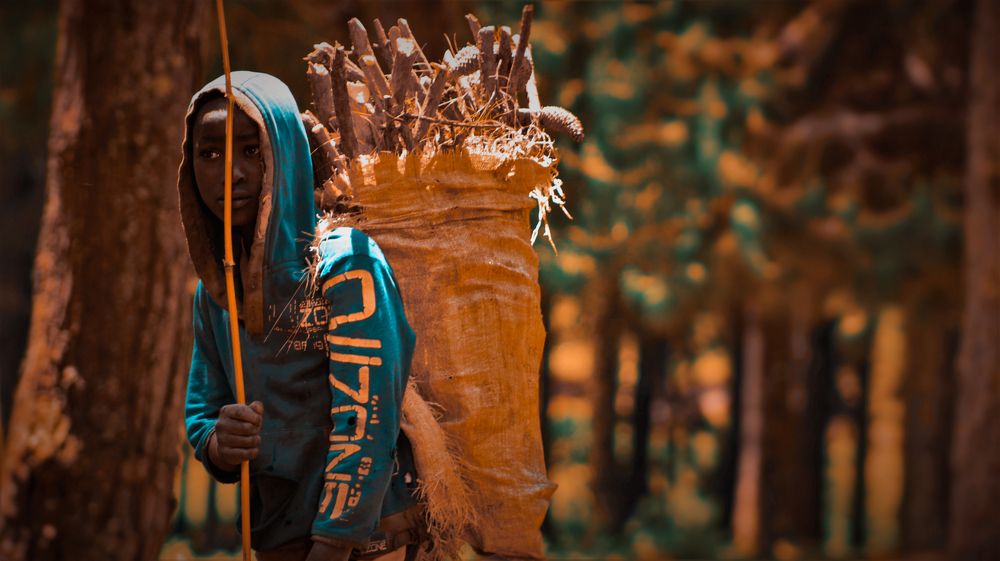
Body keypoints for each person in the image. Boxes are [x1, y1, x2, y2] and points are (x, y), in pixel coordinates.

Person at [178, 71, 424, 561]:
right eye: (210, 154)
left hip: (369, 542)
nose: (231, 174)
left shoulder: (346, 264)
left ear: (286, 153)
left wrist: (333, 543)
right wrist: (219, 443)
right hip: (276, 539)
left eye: (251, 151)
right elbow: (203, 413)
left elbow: (365, 420)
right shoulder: (216, 292)